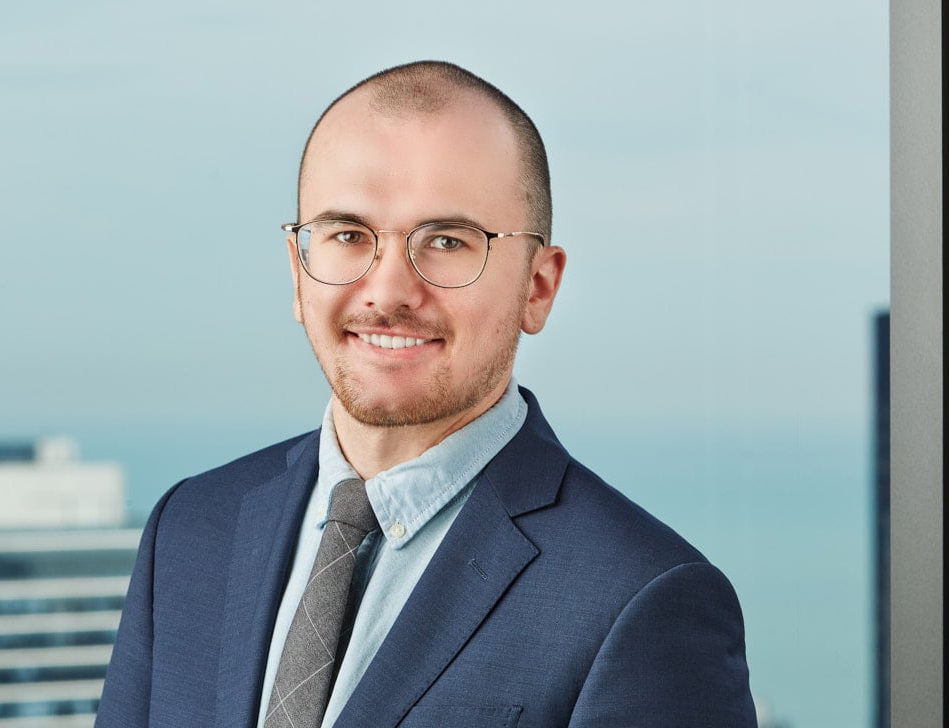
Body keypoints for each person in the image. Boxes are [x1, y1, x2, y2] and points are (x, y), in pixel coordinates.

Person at [96, 60, 757, 728]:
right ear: (298, 272)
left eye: (446, 241)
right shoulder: (191, 528)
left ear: (538, 287)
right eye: (347, 235)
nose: (388, 291)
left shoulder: (641, 600)